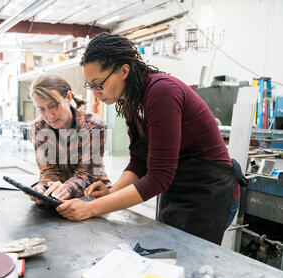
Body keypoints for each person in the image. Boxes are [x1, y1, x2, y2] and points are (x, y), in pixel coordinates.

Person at [56, 33, 241, 245]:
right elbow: (139, 161)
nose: (96, 93)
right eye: (91, 86)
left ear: (124, 70)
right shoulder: (131, 102)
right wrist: (111, 191)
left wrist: (91, 208)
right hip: (179, 190)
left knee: (189, 268)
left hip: (209, 194)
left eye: (99, 84)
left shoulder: (162, 92)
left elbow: (159, 177)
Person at [29, 74, 111, 204]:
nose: (49, 116)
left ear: (68, 97)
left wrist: (66, 188)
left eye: (54, 105)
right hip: (58, 198)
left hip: (92, 196)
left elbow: (87, 174)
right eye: (42, 109)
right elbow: (48, 171)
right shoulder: (38, 128)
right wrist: (43, 188)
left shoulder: (94, 125)